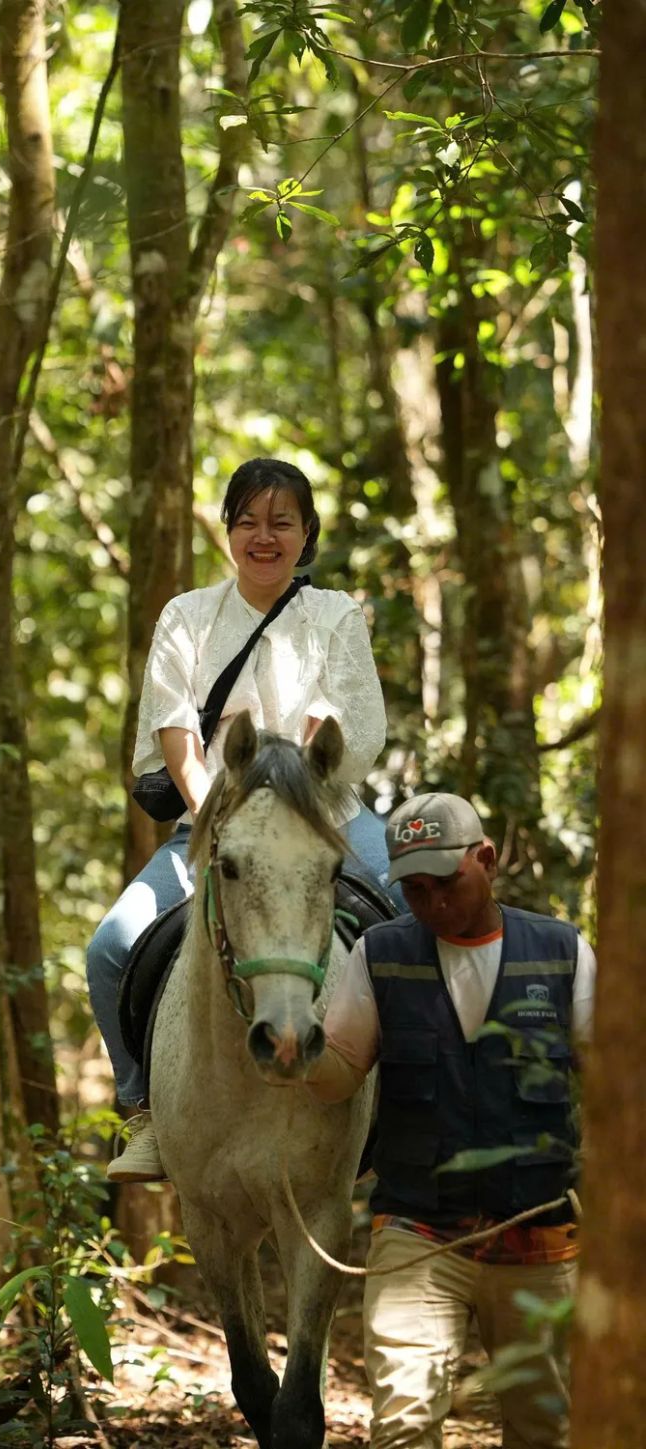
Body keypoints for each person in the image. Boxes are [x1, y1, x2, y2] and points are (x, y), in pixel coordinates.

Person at [87, 457, 392, 1183]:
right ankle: (146, 1110)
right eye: (249, 519)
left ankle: (419, 1105)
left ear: (306, 533)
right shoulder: (187, 617)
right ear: (227, 529)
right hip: (214, 820)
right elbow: (174, 736)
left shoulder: (334, 616)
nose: (265, 535)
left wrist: (312, 765)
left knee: (407, 912)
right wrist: (218, 828)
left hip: (325, 819)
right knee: (109, 947)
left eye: (281, 521)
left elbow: (349, 725)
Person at [309, 792, 596, 1449]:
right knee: (403, 1425)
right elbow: (337, 1075)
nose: (433, 903)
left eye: (447, 883)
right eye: (414, 890)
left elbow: (616, 1082)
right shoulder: (379, 953)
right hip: (418, 1234)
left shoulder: (561, 953)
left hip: (540, 1239)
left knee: (542, 1428)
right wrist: (293, 1054)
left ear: (486, 859)